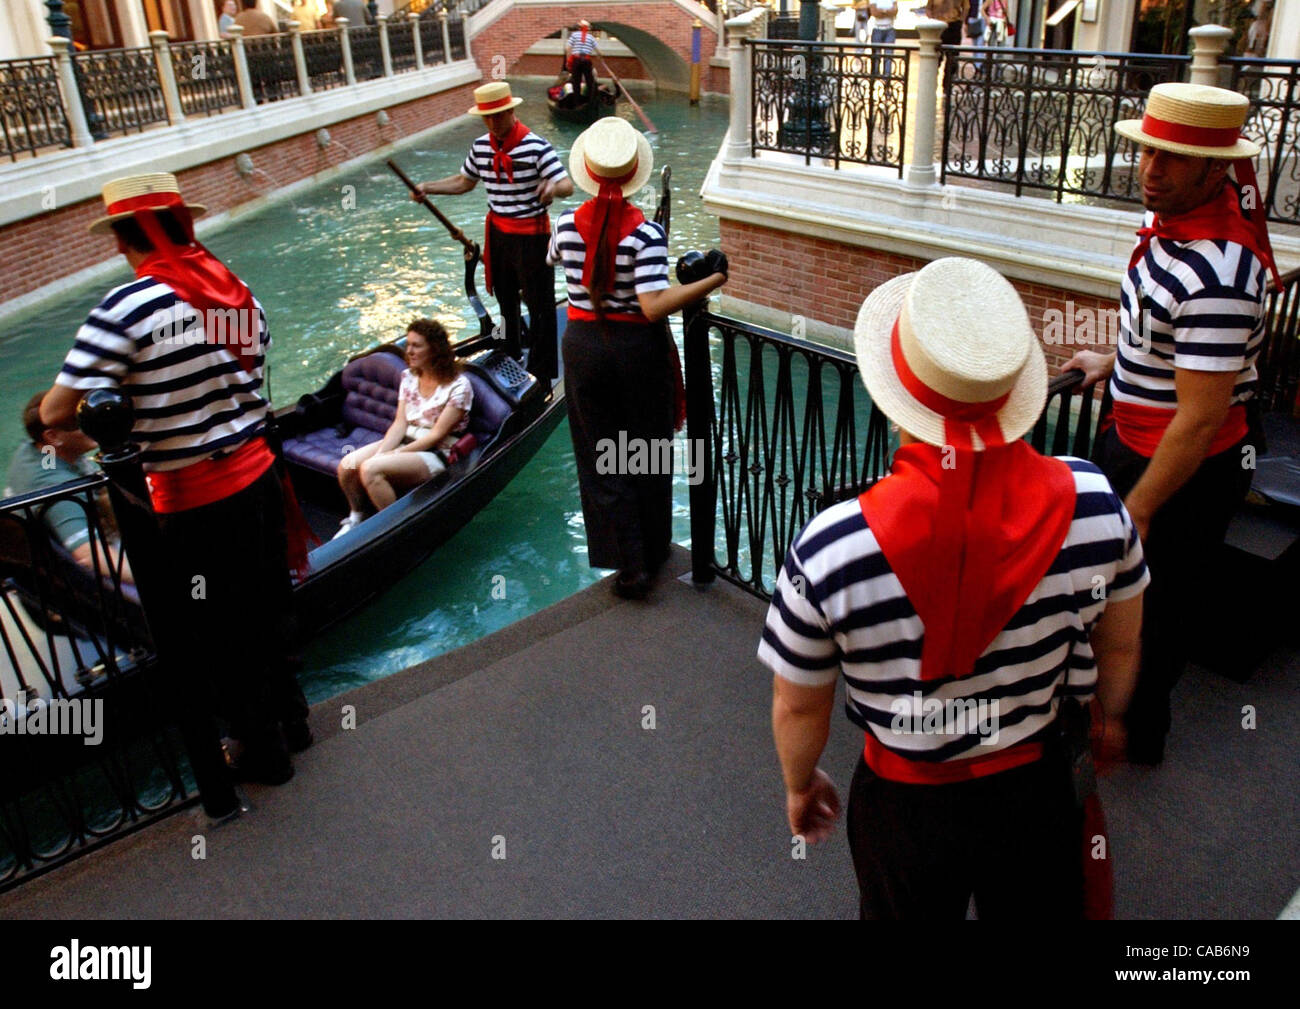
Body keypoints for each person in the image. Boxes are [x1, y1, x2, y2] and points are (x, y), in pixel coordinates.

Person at [761, 257, 1147, 919]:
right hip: (1035, 786)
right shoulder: (1095, 504)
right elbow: (1121, 644)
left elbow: (799, 707)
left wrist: (801, 783)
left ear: (894, 399)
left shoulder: (830, 547)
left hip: (905, 803)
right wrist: (1109, 717)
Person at [39, 172, 311, 792]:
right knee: (268, 607)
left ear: (119, 239)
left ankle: (263, 754)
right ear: (182, 224)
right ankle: (294, 723)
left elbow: (56, 413)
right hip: (262, 479)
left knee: (218, 629)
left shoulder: (123, 310)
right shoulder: (235, 290)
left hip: (195, 502)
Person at [1062, 83, 1282, 765]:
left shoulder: (1220, 271)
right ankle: (1101, 708)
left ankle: (1137, 736)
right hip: (1128, 437)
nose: (1151, 168)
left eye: (1174, 158)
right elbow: (1159, 335)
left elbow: (1200, 416)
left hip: (1179, 471)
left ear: (1217, 171)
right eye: (1149, 150)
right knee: (1114, 595)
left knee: (1156, 609)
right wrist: (1111, 359)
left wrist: (1142, 504)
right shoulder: (1170, 233)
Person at [548, 117, 727, 599]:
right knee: (645, 449)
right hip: (634, 352)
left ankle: (630, 565)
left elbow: (555, 261)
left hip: (583, 348)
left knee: (599, 455)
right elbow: (651, 306)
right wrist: (709, 282)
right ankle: (652, 549)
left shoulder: (565, 225)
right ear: (631, 177)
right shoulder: (645, 234)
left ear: (586, 168)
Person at [414, 82, 573, 384]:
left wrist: (552, 187)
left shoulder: (536, 145)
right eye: (487, 118)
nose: (493, 124)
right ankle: (511, 353)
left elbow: (567, 185)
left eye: (498, 116)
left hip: (532, 238)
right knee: (505, 300)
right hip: (499, 235)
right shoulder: (480, 147)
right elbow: (464, 182)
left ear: (511, 111)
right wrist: (428, 188)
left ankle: (541, 374)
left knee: (540, 307)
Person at [334, 319, 473, 536]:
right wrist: (382, 453)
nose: (409, 351)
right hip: (406, 438)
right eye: (408, 345)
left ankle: (398, 528)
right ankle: (357, 517)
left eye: (416, 346)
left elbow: (437, 434)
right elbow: (400, 423)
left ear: (435, 349)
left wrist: (393, 455)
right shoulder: (408, 377)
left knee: (371, 469)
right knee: (347, 465)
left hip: (438, 450)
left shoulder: (459, 386)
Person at [6, 393, 132, 583]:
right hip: (79, 578)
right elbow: (90, 556)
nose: (94, 423)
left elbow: (49, 470)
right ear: (53, 436)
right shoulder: (59, 491)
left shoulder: (43, 450)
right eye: (78, 422)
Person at [925, 0, 968, 84]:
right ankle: (933, 83)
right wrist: (932, 21)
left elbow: (966, 7)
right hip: (938, 25)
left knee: (951, 58)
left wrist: (960, 21)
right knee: (936, 57)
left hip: (953, 25)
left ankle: (947, 85)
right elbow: (928, 8)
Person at [565, 19, 599, 101]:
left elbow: (568, 48)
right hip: (586, 60)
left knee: (576, 81)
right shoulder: (591, 37)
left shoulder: (574, 35)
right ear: (587, 29)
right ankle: (591, 100)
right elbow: (598, 51)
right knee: (589, 81)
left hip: (576, 60)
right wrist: (601, 58)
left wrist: (568, 61)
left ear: (579, 28)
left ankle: (577, 101)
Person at [869, 1, 898, 76]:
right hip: (877, 29)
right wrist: (888, 11)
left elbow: (895, 11)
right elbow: (874, 13)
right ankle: (875, 76)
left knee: (889, 55)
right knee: (876, 55)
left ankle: (887, 77)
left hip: (890, 29)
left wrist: (881, 11)